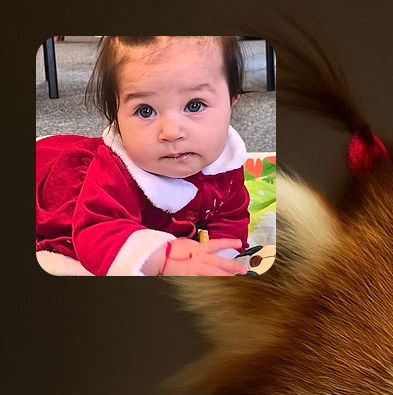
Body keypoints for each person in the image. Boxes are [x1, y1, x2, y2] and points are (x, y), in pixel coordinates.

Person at [36, 36, 250, 276]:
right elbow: (96, 232)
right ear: (116, 116)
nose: (171, 132)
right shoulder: (116, 170)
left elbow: (230, 217)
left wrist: (219, 256)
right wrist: (158, 259)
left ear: (231, 102)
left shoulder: (225, 162)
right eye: (145, 111)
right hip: (55, 184)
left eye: (194, 105)